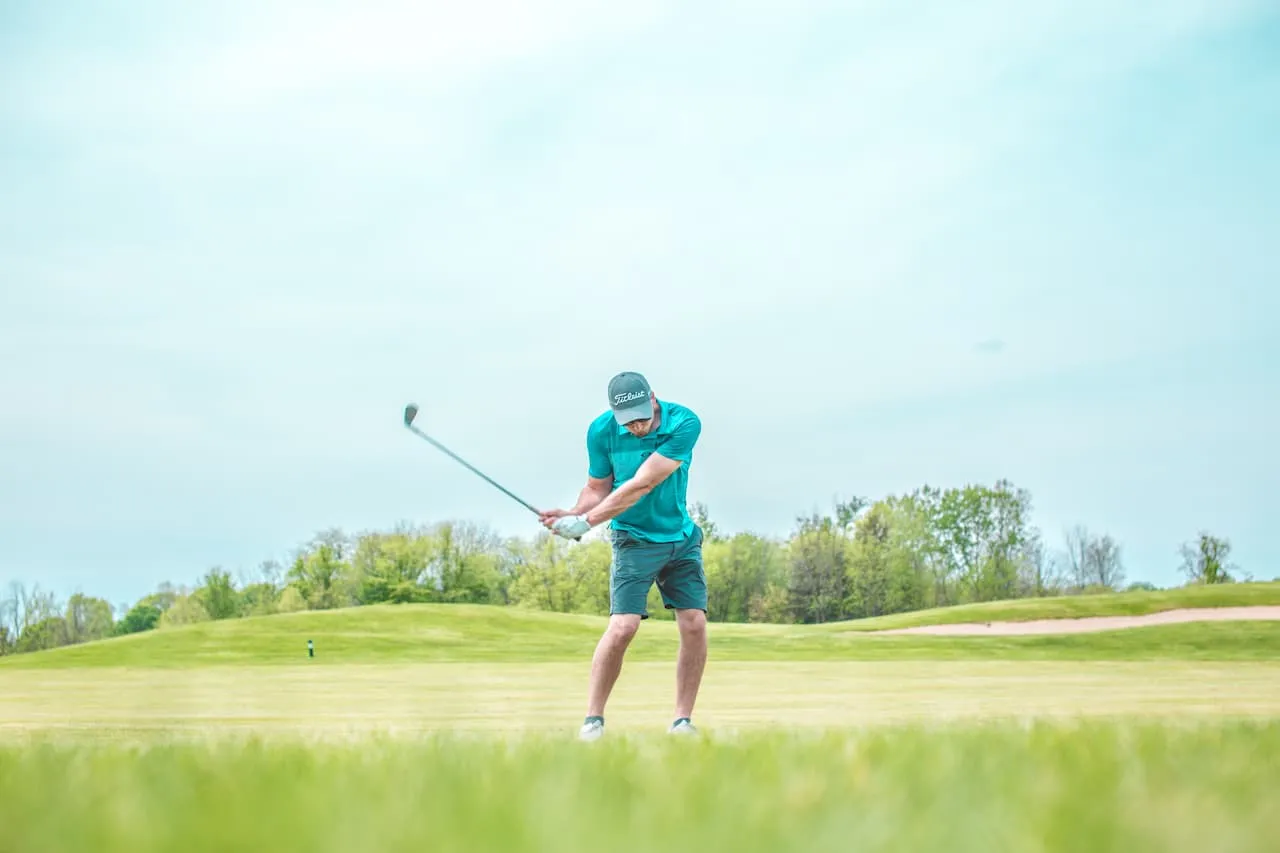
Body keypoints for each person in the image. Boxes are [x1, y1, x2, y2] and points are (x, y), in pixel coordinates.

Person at [540, 371, 707, 740]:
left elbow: (643, 483)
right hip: (633, 539)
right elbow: (597, 487)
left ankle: (682, 721)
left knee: (694, 622)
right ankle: (592, 721)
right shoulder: (601, 431)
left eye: (641, 417)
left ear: (653, 398)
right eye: (627, 421)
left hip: (680, 536)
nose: (636, 426)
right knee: (623, 627)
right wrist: (573, 514)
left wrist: (587, 522)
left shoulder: (684, 423)